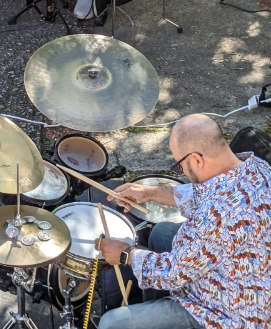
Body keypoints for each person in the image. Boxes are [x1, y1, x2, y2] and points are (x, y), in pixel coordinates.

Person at [95, 113, 271, 329]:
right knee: (163, 232)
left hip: (225, 314)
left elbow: (173, 274)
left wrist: (125, 254)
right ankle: (154, 307)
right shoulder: (257, 167)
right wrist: (150, 193)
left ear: (197, 159)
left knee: (112, 323)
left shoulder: (215, 215)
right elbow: (203, 193)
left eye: (180, 165)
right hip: (248, 282)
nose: (182, 171)